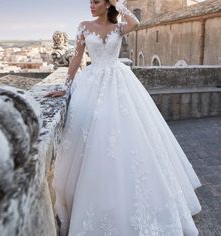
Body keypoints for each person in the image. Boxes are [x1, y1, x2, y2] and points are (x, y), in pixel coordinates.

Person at [45, 0, 202, 235]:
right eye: (89, 1)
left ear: (107, 4)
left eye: (96, 1)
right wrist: (66, 87)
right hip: (92, 84)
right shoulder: (83, 26)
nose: (91, 5)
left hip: (119, 84)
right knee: (93, 140)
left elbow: (135, 22)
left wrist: (118, 4)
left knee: (130, 141)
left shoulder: (119, 27)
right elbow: (76, 58)